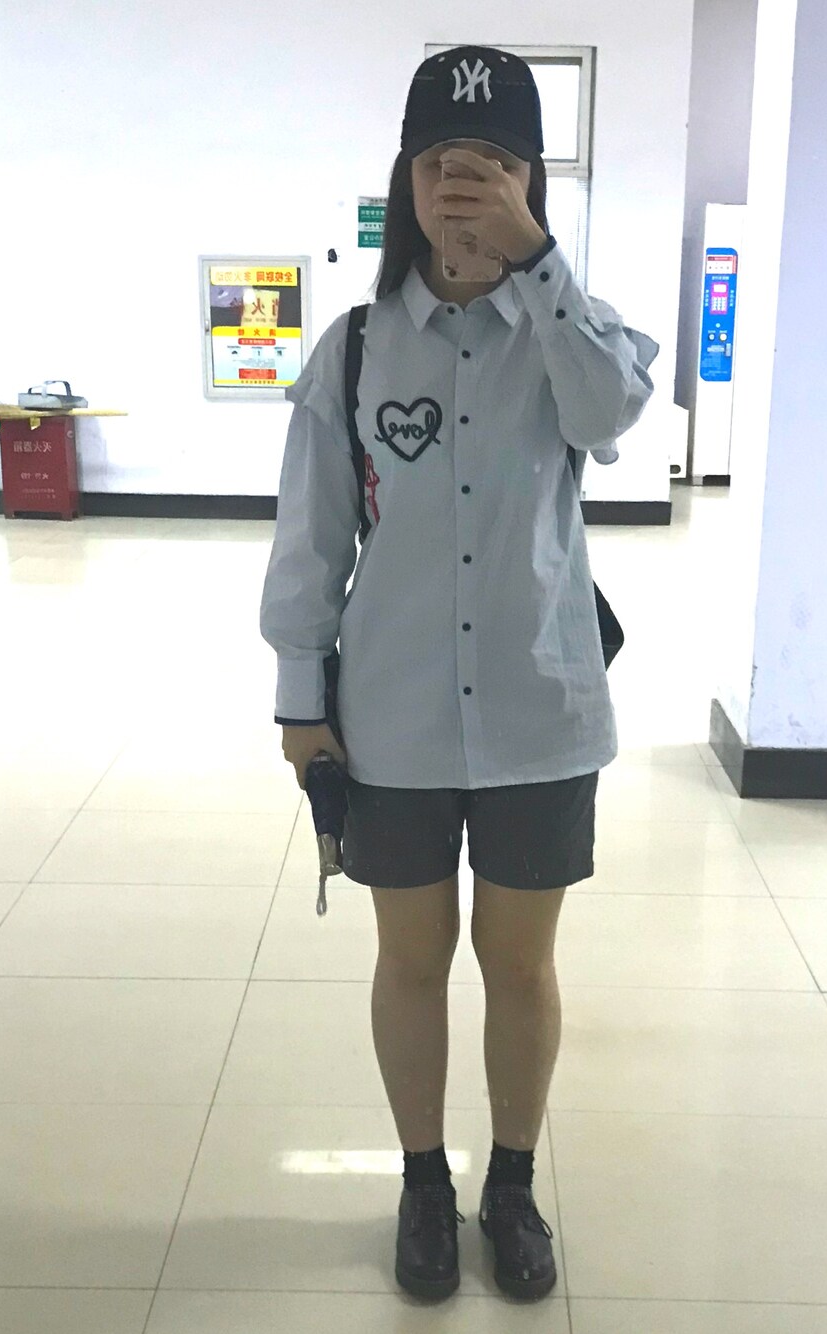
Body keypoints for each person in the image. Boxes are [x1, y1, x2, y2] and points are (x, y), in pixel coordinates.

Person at [259, 44, 659, 1303]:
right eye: (438, 160)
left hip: (542, 707)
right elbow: (312, 538)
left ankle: (512, 1184)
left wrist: (537, 261)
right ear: (406, 181)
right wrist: (301, 701)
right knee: (412, 957)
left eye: (489, 163)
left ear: (531, 180)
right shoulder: (355, 349)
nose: (461, 184)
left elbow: (612, 414)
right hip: (394, 716)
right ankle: (424, 1180)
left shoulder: (570, 336)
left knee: (522, 963)